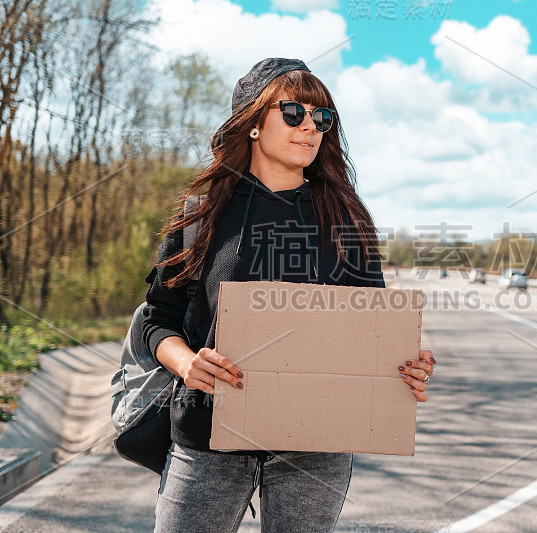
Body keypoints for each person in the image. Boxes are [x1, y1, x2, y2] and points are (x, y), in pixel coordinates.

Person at [141, 58, 437, 533]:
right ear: (253, 123)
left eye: (322, 118)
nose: (310, 127)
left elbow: (373, 332)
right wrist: (185, 363)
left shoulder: (348, 221)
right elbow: (158, 319)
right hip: (208, 437)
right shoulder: (202, 215)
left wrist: (404, 369)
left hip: (315, 445)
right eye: (293, 112)